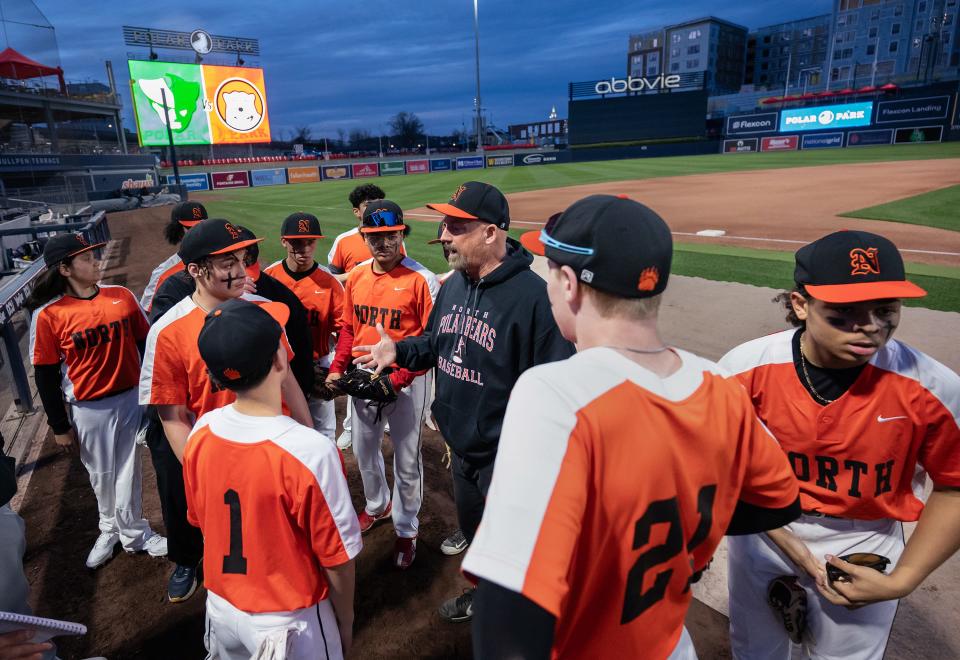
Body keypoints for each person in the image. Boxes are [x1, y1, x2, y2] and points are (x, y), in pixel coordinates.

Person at [459, 194, 802, 658]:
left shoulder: (557, 393)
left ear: (567, 283)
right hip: (669, 644)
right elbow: (778, 502)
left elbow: (509, 616)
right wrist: (680, 539)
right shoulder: (719, 383)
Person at [719, 230, 960, 660]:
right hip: (763, 529)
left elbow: (954, 485)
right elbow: (717, 468)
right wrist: (785, 541)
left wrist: (904, 580)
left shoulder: (932, 387)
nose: (869, 326)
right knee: (754, 649)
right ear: (800, 304)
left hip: (863, 539)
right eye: (844, 311)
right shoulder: (743, 369)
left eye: (885, 309)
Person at [351, 181, 575, 621]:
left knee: (517, 545)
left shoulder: (535, 300)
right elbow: (436, 341)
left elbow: (558, 390)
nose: (444, 234)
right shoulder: (456, 285)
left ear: (490, 233)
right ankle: (484, 596)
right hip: (461, 447)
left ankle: (522, 618)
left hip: (506, 458)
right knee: (476, 532)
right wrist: (400, 351)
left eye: (456, 225)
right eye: (445, 222)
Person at [140, 218, 312, 602]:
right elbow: (172, 415)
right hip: (218, 458)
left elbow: (290, 383)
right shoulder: (167, 330)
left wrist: (309, 436)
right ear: (196, 271)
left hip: (275, 450)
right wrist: (203, 472)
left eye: (240, 258)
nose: (239, 270)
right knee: (228, 548)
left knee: (282, 542)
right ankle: (188, 561)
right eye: (226, 263)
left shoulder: (268, 310)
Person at [184, 299, 361, 660]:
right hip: (288, 621)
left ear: (215, 376)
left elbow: (204, 523)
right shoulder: (310, 451)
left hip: (221, 608)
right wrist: (345, 620)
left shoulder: (200, 433)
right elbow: (337, 560)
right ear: (281, 361)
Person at [27, 233, 167, 569]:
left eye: (94, 255)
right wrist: (59, 426)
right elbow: (45, 376)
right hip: (89, 408)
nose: (96, 262)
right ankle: (109, 530)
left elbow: (146, 343)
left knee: (129, 471)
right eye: (86, 258)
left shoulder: (121, 296)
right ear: (64, 268)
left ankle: (134, 534)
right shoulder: (48, 315)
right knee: (101, 474)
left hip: (132, 399)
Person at [326, 200, 437, 570]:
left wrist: (401, 378)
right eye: (374, 237)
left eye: (390, 235)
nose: (383, 243)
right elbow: (346, 329)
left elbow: (431, 342)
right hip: (362, 377)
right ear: (364, 237)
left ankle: (406, 530)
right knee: (363, 448)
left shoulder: (422, 279)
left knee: (407, 460)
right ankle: (378, 505)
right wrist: (337, 369)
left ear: (402, 233)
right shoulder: (356, 276)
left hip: (407, 383)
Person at [327, 184, 405, 450]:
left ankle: (382, 422)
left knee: (383, 382)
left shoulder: (396, 239)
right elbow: (332, 279)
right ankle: (350, 428)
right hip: (359, 316)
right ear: (356, 212)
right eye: (369, 203)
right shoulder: (344, 240)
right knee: (356, 380)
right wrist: (355, 277)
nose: (375, 207)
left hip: (387, 321)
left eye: (379, 201)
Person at [264, 212, 344, 440]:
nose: (304, 249)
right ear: (283, 241)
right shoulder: (269, 277)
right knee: (281, 431)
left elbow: (345, 329)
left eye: (310, 242)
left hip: (317, 365)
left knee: (323, 434)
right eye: (296, 242)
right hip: (278, 367)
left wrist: (337, 368)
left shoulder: (329, 283)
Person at [140, 200, 207, 314]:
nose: (198, 233)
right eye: (190, 228)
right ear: (177, 231)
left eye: (202, 227)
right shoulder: (163, 273)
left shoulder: (225, 259)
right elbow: (147, 313)